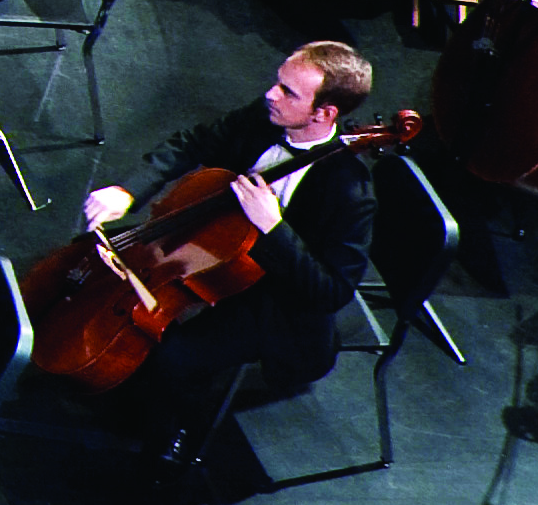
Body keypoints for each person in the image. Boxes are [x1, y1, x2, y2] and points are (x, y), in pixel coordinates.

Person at [74, 42, 385, 469]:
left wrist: (272, 228)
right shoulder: (265, 117)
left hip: (273, 295)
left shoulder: (350, 193)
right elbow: (194, 142)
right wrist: (126, 190)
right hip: (210, 243)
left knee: (175, 357)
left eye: (289, 92)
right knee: (99, 258)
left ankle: (170, 437)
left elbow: (330, 291)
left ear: (324, 114)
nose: (271, 95)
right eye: (278, 83)